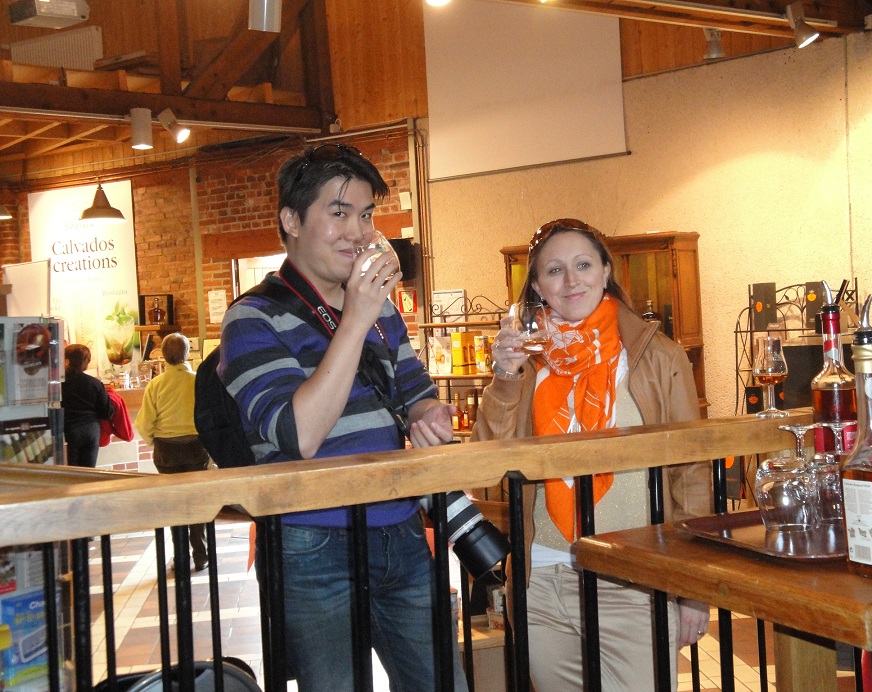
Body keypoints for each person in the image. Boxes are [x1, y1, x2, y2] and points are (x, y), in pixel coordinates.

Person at [218, 143, 468, 691]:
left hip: (400, 529)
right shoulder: (252, 318)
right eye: (338, 212)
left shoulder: (380, 312)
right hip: (311, 541)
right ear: (291, 220)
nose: (357, 232)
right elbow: (299, 434)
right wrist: (354, 318)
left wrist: (431, 415)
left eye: (366, 215)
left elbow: (417, 393)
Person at [471, 218, 712, 691]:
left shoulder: (657, 356)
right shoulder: (526, 362)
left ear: (605, 271)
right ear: (536, 286)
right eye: (554, 270)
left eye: (583, 265)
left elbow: (691, 473)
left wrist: (693, 588)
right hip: (542, 583)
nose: (571, 280)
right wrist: (504, 378)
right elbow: (486, 463)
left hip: (633, 581)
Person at [135, 333, 211, 572]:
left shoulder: (155, 385)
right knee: (196, 501)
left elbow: (144, 423)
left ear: (164, 356)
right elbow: (209, 416)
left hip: (166, 450)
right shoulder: (198, 381)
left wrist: (154, 442)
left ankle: (180, 557)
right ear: (187, 353)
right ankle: (201, 554)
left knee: (174, 503)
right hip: (195, 447)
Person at [62, 344, 115, 468]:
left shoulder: (59, 383)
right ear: (86, 362)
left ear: (66, 360)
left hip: (68, 431)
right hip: (91, 430)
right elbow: (107, 413)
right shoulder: (95, 383)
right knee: (89, 471)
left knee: (71, 472)